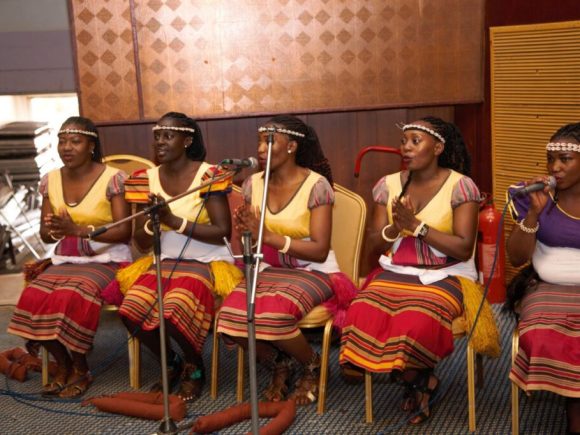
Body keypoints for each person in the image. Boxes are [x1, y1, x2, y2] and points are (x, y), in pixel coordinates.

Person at [339, 117, 483, 424]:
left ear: (438, 147)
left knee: (416, 318)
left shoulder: (461, 186)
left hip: (448, 275)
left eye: (415, 141)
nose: (405, 147)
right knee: (362, 310)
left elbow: (463, 248)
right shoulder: (388, 185)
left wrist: (417, 227)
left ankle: (416, 378)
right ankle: (419, 380)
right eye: (404, 141)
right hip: (398, 270)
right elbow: (375, 245)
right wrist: (395, 227)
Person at [216, 115, 356, 406]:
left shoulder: (317, 186)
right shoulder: (253, 184)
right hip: (269, 268)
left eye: (270, 141)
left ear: (292, 146)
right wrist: (246, 232)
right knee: (229, 317)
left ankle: (312, 363)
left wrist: (267, 235)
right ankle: (279, 363)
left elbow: (319, 249)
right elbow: (253, 239)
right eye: (259, 140)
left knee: (274, 316)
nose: (261, 148)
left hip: (313, 270)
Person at [7, 116, 132, 398]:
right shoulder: (51, 180)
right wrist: (56, 231)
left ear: (91, 145)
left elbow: (125, 231)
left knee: (73, 294)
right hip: (67, 258)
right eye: (62, 141)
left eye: (75, 141)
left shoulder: (113, 178)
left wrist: (78, 230)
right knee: (34, 294)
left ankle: (80, 366)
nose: (67, 147)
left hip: (108, 258)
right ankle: (62, 363)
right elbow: (46, 235)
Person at [118, 112, 238, 403]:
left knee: (174, 309)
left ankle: (194, 364)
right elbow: (141, 242)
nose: (160, 142)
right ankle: (171, 362)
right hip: (164, 260)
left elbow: (223, 230)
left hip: (208, 262)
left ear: (187, 140)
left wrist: (174, 220)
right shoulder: (142, 180)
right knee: (131, 310)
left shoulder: (209, 175)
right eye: (157, 136)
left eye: (168, 136)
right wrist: (152, 223)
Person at [505, 122, 580, 434]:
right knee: (550, 334)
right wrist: (533, 215)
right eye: (551, 159)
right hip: (547, 287)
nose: (555, 167)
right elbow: (516, 257)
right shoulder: (534, 197)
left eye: (565, 160)